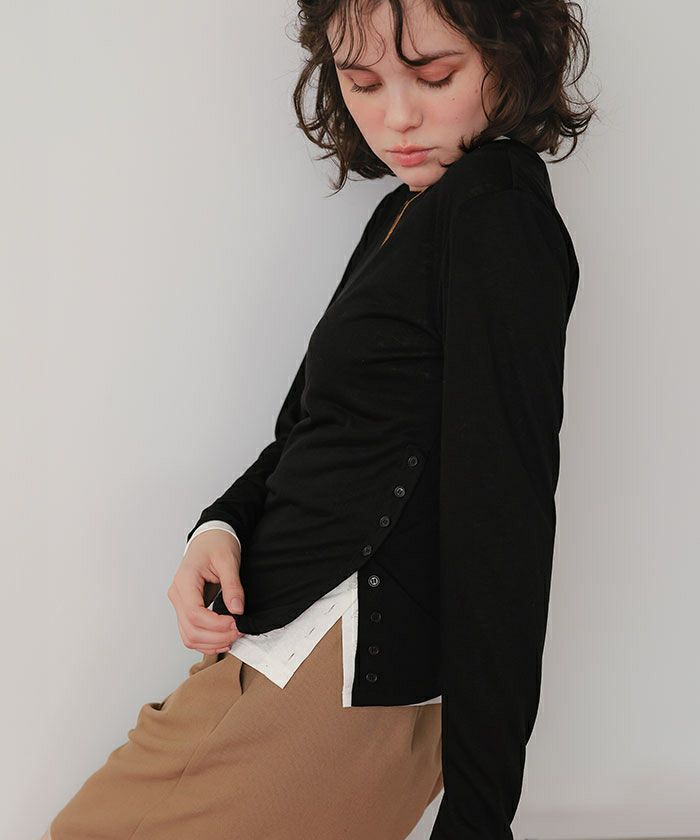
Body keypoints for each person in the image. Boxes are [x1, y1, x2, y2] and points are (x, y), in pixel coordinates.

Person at [46, 1, 596, 838]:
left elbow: (505, 516)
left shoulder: (497, 210)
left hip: (337, 668)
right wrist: (220, 526)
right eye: (363, 83)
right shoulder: (407, 209)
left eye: (435, 76)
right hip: (268, 641)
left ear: (509, 52)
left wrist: (480, 814)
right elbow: (310, 429)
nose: (397, 117)